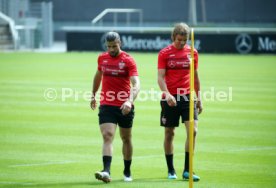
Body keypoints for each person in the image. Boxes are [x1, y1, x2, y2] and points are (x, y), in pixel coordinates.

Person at [90, 31, 140, 183]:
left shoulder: (128, 60)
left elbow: (137, 84)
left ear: (120, 44)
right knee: (107, 135)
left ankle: (127, 170)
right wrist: (93, 94)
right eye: (109, 46)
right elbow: (98, 75)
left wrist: (129, 101)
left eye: (114, 46)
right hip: (107, 104)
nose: (111, 49)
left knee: (126, 138)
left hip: (124, 106)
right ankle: (106, 171)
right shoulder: (102, 58)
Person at [157, 23, 203, 181]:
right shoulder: (164, 53)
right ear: (173, 37)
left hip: (188, 97)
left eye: (185, 40)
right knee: (170, 133)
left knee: (193, 131)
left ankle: (187, 170)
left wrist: (199, 98)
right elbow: (160, 77)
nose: (182, 43)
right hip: (169, 98)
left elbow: (195, 77)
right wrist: (167, 94)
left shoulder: (193, 53)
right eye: (179, 40)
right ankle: (171, 170)